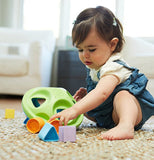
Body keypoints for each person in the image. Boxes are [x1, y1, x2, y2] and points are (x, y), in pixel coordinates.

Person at [50, 6, 154, 140]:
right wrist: (86, 97)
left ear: (112, 45)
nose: (85, 55)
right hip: (109, 115)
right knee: (86, 104)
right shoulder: (95, 65)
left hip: (132, 112)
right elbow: (100, 94)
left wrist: (74, 110)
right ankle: (116, 124)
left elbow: (102, 93)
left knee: (122, 95)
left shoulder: (114, 66)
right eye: (80, 50)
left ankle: (126, 126)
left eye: (91, 49)